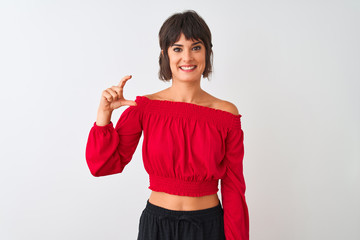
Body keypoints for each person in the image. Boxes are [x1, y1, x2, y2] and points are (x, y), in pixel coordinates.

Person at [85, 10, 249, 240]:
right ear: (165, 54)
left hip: (207, 227)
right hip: (157, 226)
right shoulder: (144, 108)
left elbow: (234, 188)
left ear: (208, 53)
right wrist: (104, 115)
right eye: (177, 48)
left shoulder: (225, 114)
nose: (187, 57)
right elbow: (102, 166)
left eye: (196, 47)